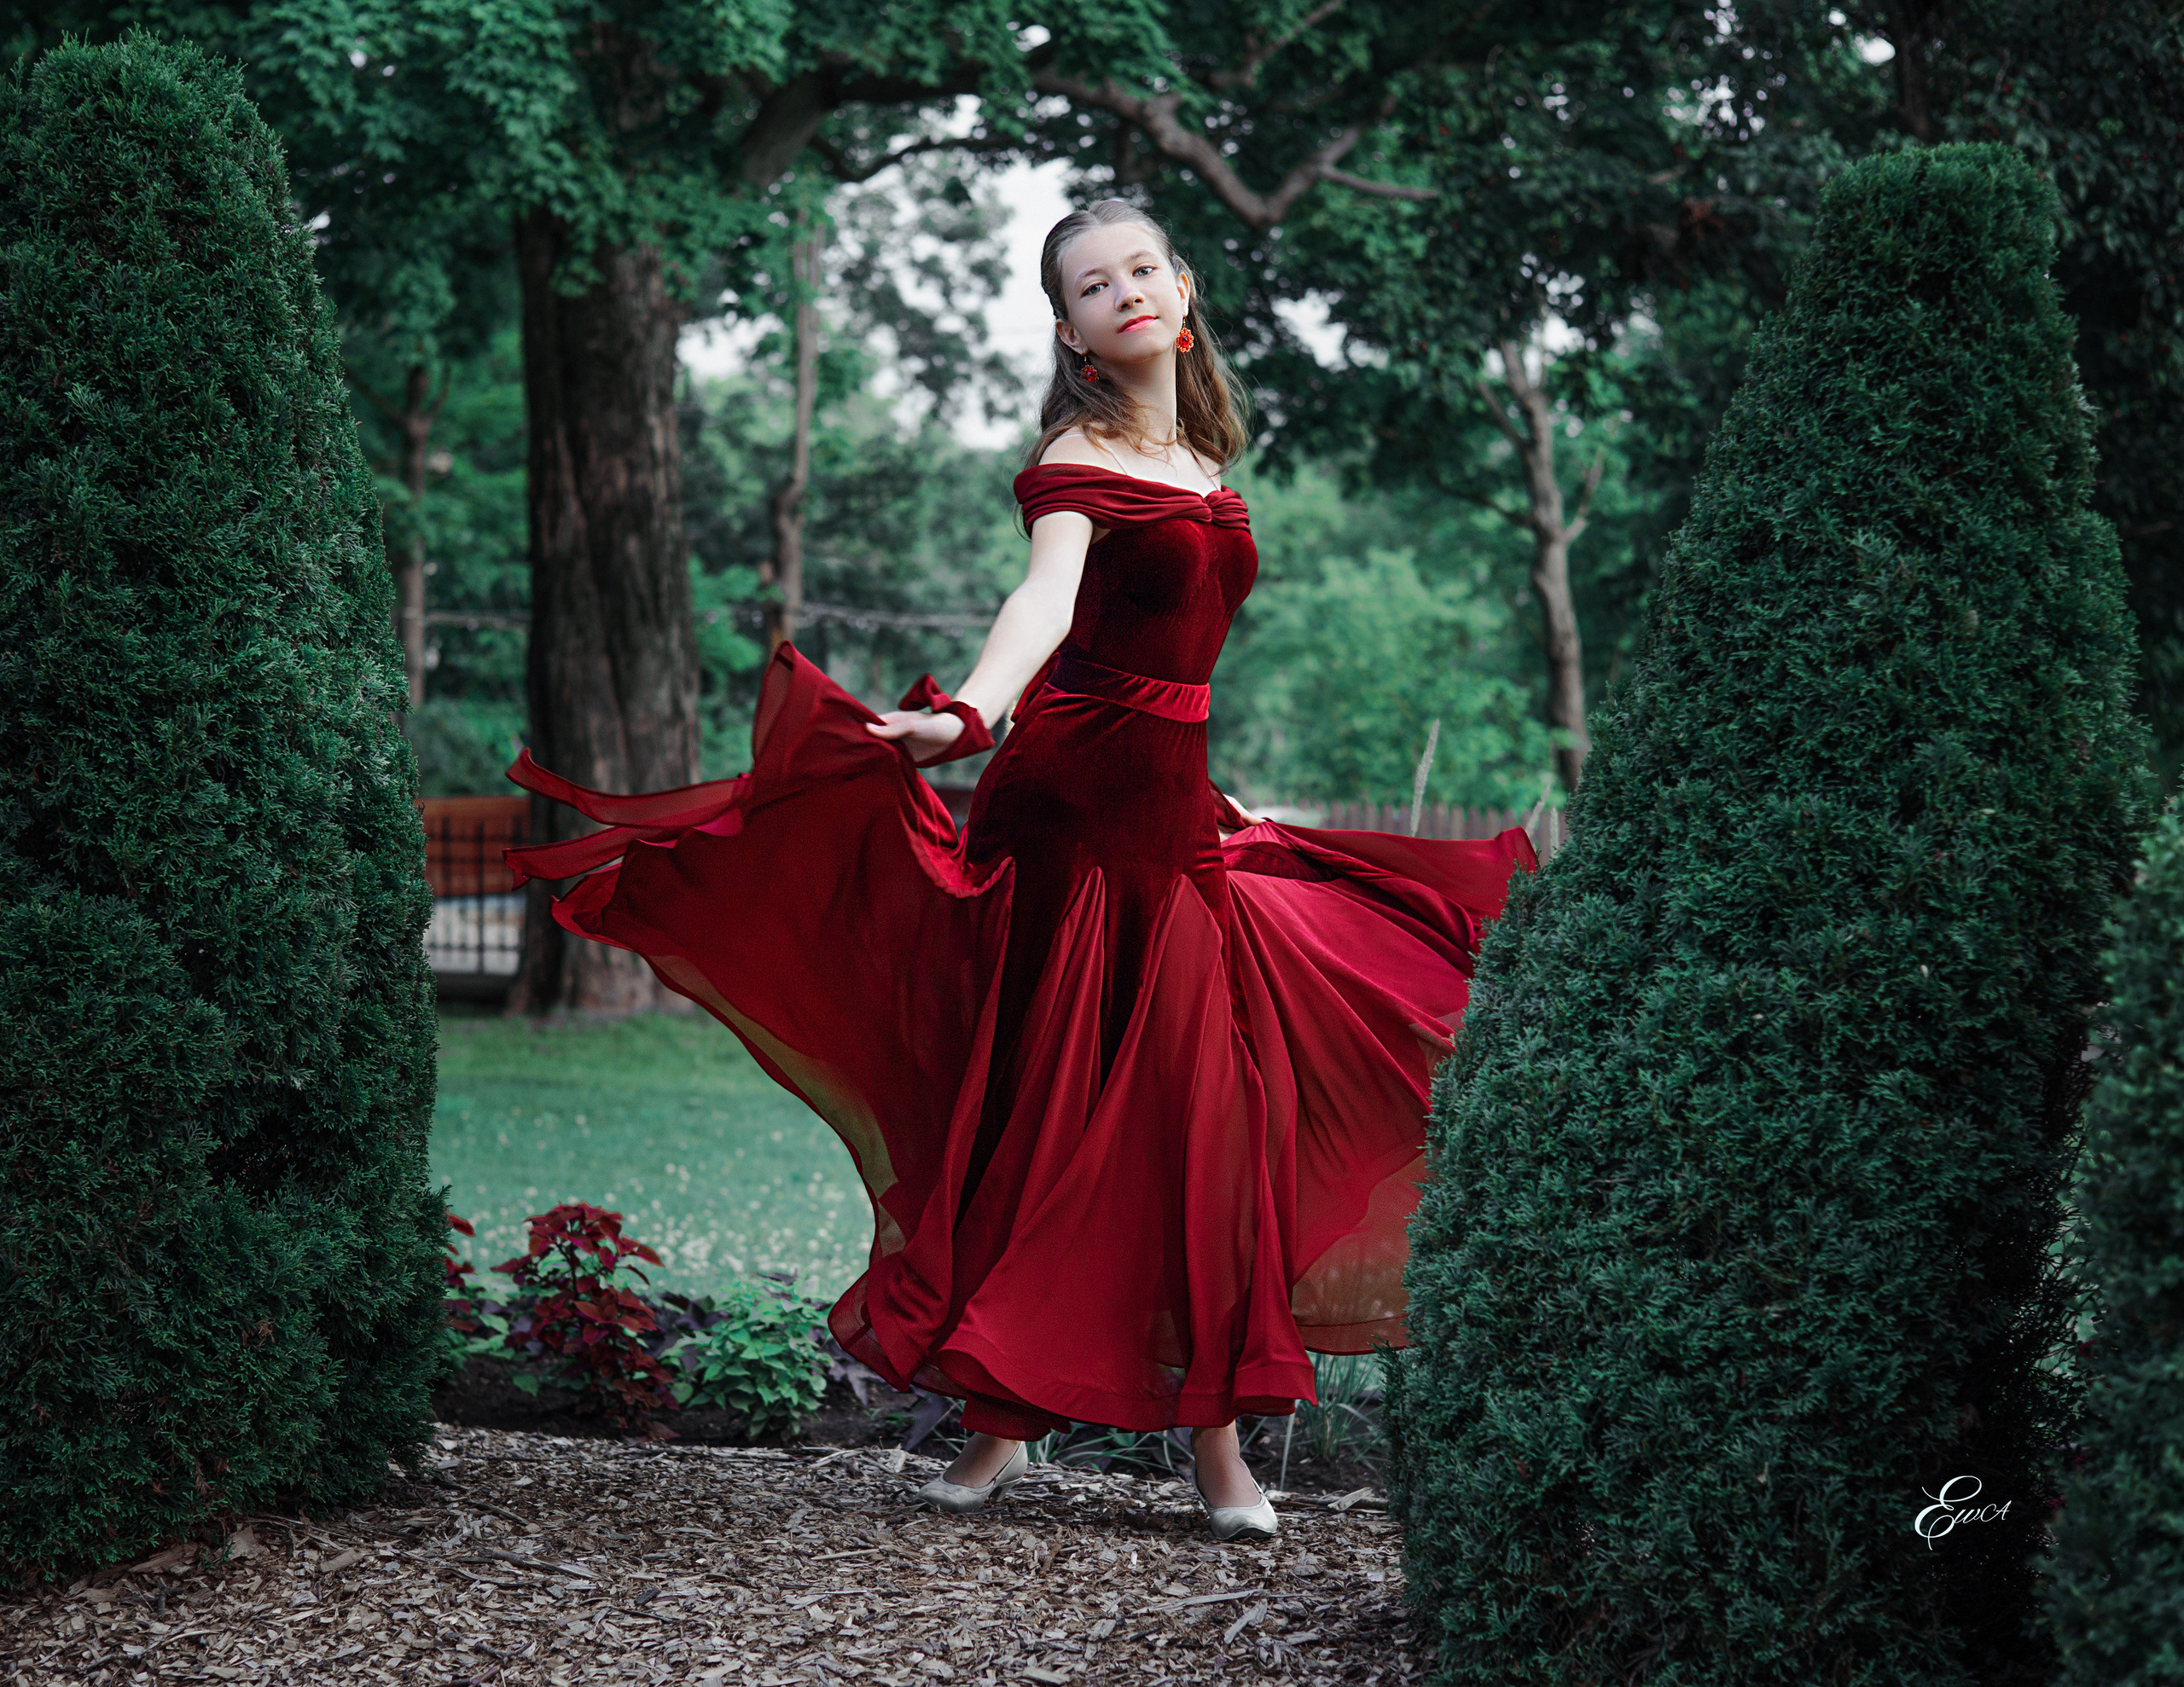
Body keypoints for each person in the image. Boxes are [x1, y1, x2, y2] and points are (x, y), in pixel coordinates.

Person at [505, 199, 1534, 1543]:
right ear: (1071, 332)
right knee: (1061, 1116)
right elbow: (1044, 605)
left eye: (1143, 268)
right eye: (1094, 285)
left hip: (1168, 816)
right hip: (1070, 819)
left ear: (1182, 289)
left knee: (1197, 1127)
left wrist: (1208, 787)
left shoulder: (1206, 460)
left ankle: (1170, 1442)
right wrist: (970, 713)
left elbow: (1174, 663)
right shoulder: (1075, 455)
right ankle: (1025, 1425)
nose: (1126, 291)